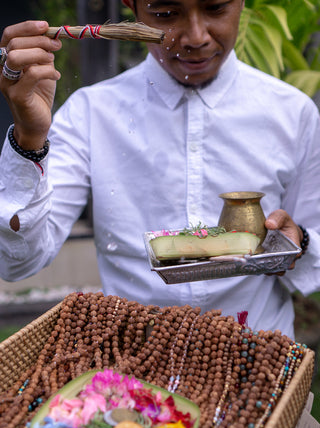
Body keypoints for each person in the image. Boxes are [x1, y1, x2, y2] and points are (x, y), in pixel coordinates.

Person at [0, 0, 319, 343]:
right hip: (133, 376)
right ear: (131, 8)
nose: (196, 37)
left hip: (259, 367)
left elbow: (312, 254)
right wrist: (29, 138)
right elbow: (16, 261)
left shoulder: (291, 114)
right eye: (166, 14)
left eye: (215, 9)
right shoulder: (92, 114)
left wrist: (299, 241)